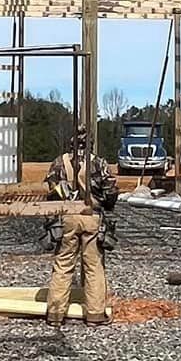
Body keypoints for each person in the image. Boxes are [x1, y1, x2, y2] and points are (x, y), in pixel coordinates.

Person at [43, 127, 118, 327]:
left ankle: (55, 314)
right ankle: (95, 314)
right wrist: (106, 204)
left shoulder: (59, 163)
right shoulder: (99, 163)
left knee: (63, 265)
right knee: (93, 266)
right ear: (90, 145)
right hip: (91, 216)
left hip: (67, 217)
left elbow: (50, 192)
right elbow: (111, 191)